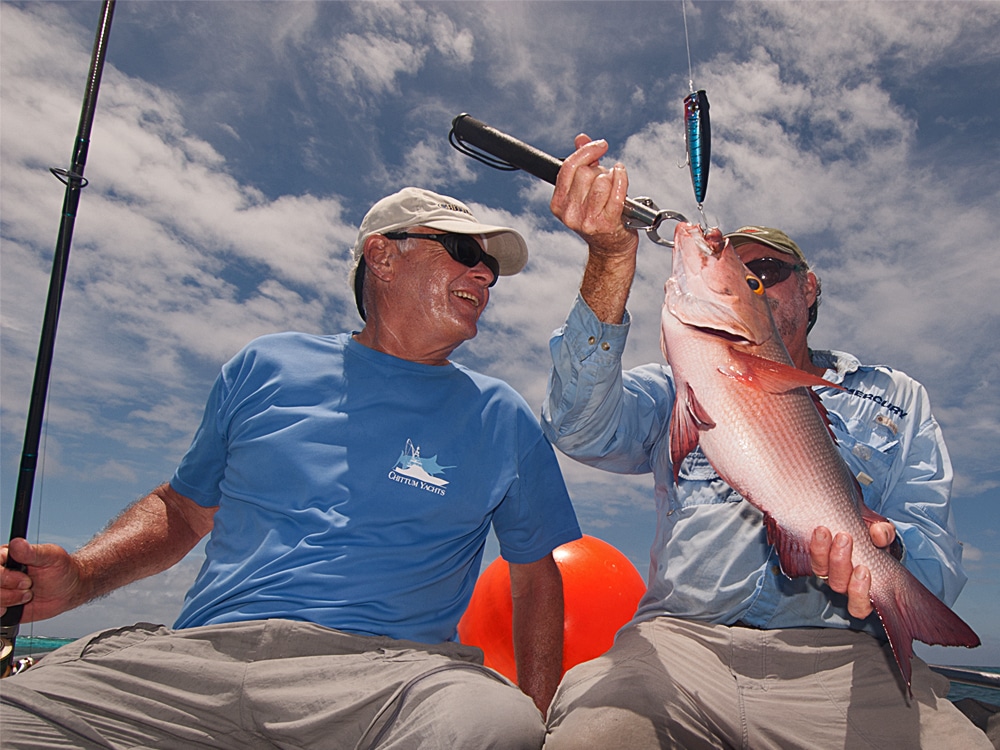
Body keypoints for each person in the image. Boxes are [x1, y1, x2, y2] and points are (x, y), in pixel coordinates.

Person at [0, 187, 582, 749]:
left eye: (490, 268)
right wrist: (83, 574)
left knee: (490, 726)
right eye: (463, 253)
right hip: (197, 660)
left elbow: (534, 578)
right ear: (382, 255)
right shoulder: (264, 364)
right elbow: (182, 510)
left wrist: (539, 725)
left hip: (390, 681)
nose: (483, 275)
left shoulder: (501, 414)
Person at [539, 136, 990, 749]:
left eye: (766, 275)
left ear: (808, 288)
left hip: (847, 657)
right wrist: (611, 261)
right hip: (682, 648)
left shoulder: (894, 396)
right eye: (741, 271)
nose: (751, 281)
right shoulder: (677, 385)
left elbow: (932, 539)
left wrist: (890, 556)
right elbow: (577, 426)